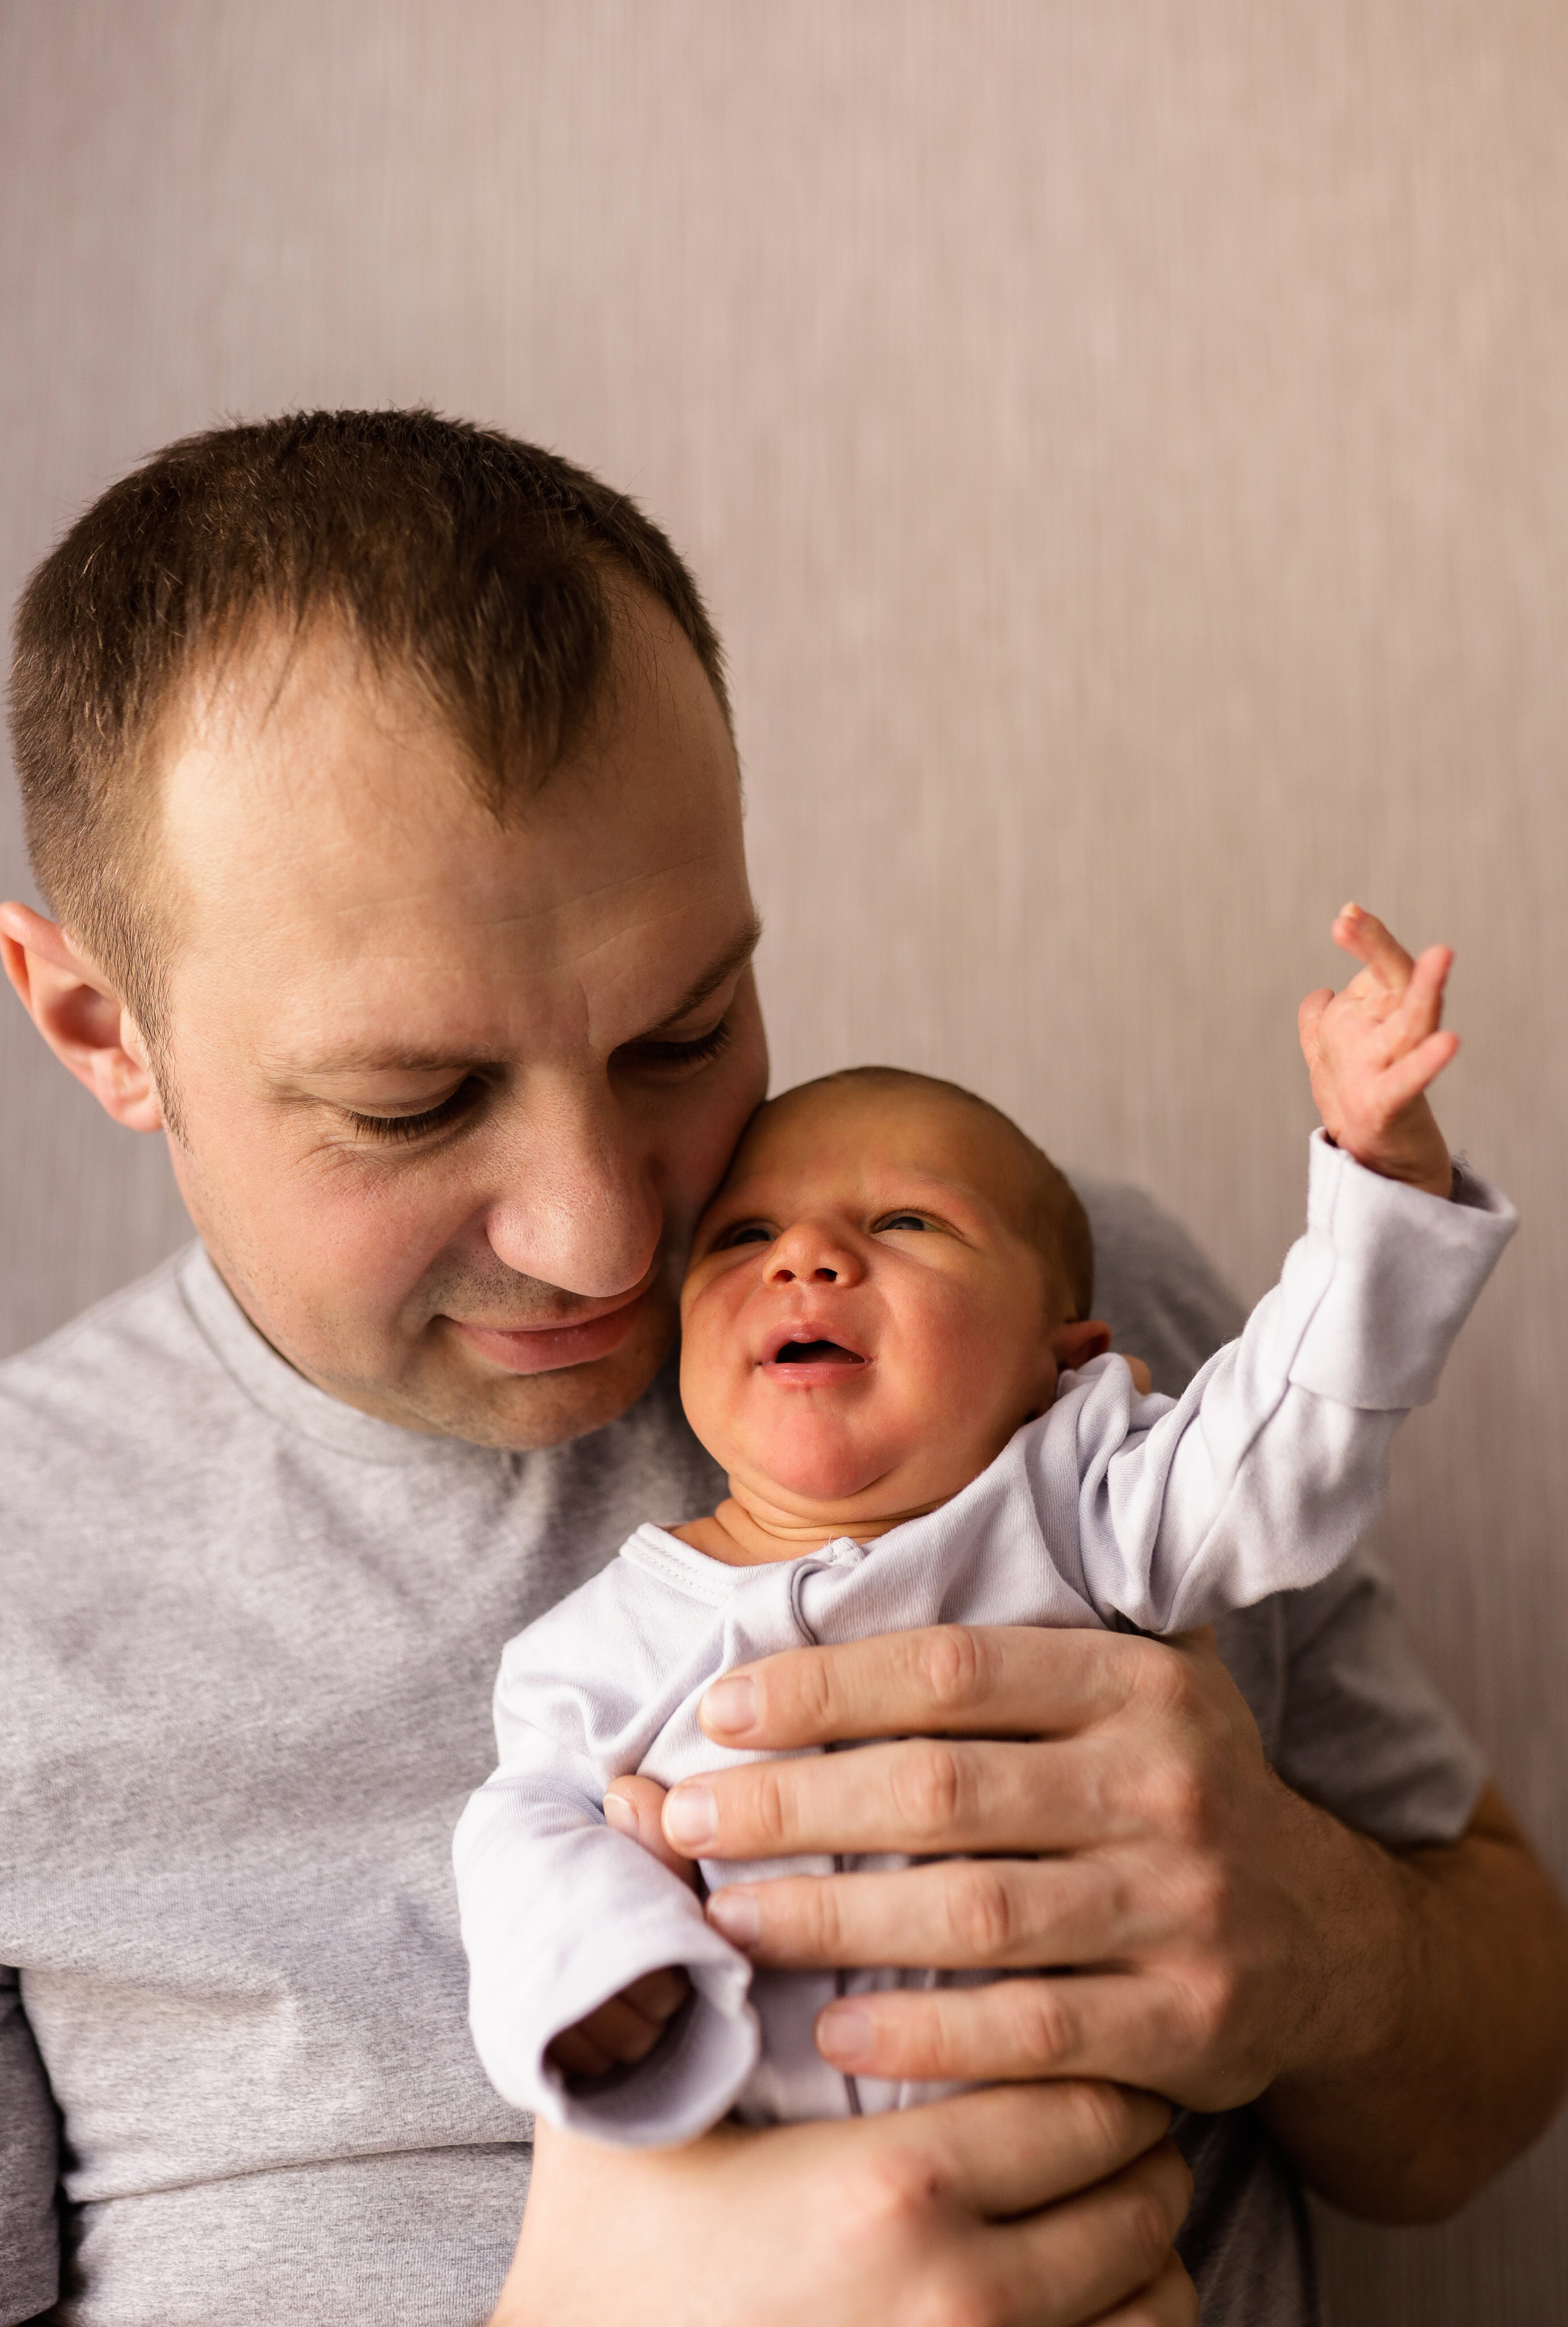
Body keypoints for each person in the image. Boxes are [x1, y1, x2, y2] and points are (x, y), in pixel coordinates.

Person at [0, 410, 1563, 2327]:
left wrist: (1322, 1944)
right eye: (415, 1103)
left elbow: (1486, 2069)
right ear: (99, 1025)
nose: (606, 1238)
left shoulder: (1030, 1318)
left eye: (683, 1033)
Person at [454, 1024, 1516, 2144]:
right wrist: (603, 1977)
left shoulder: (1082, 1515)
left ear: (1066, 1362)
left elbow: (1285, 1441)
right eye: (744, 1235)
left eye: (907, 1222)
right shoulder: (596, 1651)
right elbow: (523, 1831)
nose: (803, 1256)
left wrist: (1379, 1196)